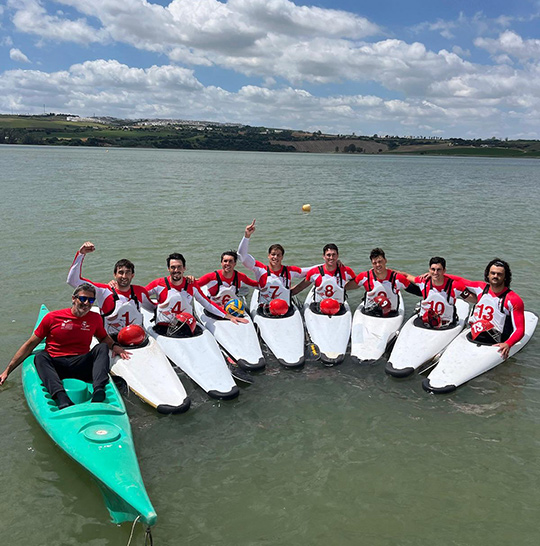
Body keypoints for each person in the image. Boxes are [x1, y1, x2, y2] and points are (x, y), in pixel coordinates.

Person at [0, 284, 130, 409]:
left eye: (91, 300)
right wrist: (7, 371)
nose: (86, 303)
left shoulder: (95, 318)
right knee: (40, 356)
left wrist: (115, 346)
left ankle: (98, 391)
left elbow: (103, 338)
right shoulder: (52, 317)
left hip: (81, 364)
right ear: (74, 299)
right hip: (57, 367)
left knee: (102, 348)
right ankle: (61, 397)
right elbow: (29, 345)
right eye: (83, 299)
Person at [67, 241, 156, 336]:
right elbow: (73, 280)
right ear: (115, 275)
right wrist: (81, 254)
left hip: (138, 339)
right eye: (120, 272)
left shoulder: (140, 291)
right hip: (112, 340)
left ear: (132, 275)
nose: (124, 276)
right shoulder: (103, 291)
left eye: (128, 272)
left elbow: (153, 308)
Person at [145, 253, 247, 333]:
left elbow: (207, 303)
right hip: (163, 327)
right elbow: (138, 296)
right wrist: (153, 307)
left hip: (186, 326)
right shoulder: (158, 284)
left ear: (184, 268)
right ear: (168, 269)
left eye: (179, 267)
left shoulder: (191, 285)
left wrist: (229, 316)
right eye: (173, 267)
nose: (176, 270)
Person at [446, 258, 525, 359]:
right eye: (493, 273)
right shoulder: (480, 288)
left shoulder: (513, 299)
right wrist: (435, 275)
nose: (495, 276)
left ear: (505, 277)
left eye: (499, 274)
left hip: (495, 340)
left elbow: (520, 329)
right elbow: (459, 280)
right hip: (475, 334)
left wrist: (508, 344)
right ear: (488, 275)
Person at [237, 220, 311, 309]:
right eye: (273, 254)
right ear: (268, 256)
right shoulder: (260, 269)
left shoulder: (290, 271)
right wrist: (246, 236)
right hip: (265, 310)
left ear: (282, 257)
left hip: (285, 310)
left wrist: (330, 262)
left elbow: (312, 271)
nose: (275, 257)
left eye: (278, 255)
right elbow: (242, 256)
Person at [345, 248, 421, 316]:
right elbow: (345, 287)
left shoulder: (397, 278)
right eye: (375, 263)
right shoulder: (365, 277)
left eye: (380, 261)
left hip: (391, 314)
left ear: (385, 260)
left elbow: (417, 291)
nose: (378, 265)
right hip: (370, 313)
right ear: (372, 264)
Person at [399, 257, 468, 328]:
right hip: (425, 321)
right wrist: (387, 271)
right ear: (429, 270)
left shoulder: (454, 286)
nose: (435, 272)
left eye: (439, 270)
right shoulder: (424, 281)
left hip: (446, 324)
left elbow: (473, 298)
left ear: (444, 270)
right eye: (433, 269)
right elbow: (406, 276)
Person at [291, 244, 356, 310]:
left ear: (337, 256)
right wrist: (287, 294)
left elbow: (356, 282)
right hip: (319, 307)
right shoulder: (314, 272)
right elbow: (301, 287)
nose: (331, 257)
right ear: (323, 256)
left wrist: (344, 287)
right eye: (328, 255)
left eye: (334, 255)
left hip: (339, 308)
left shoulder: (346, 271)